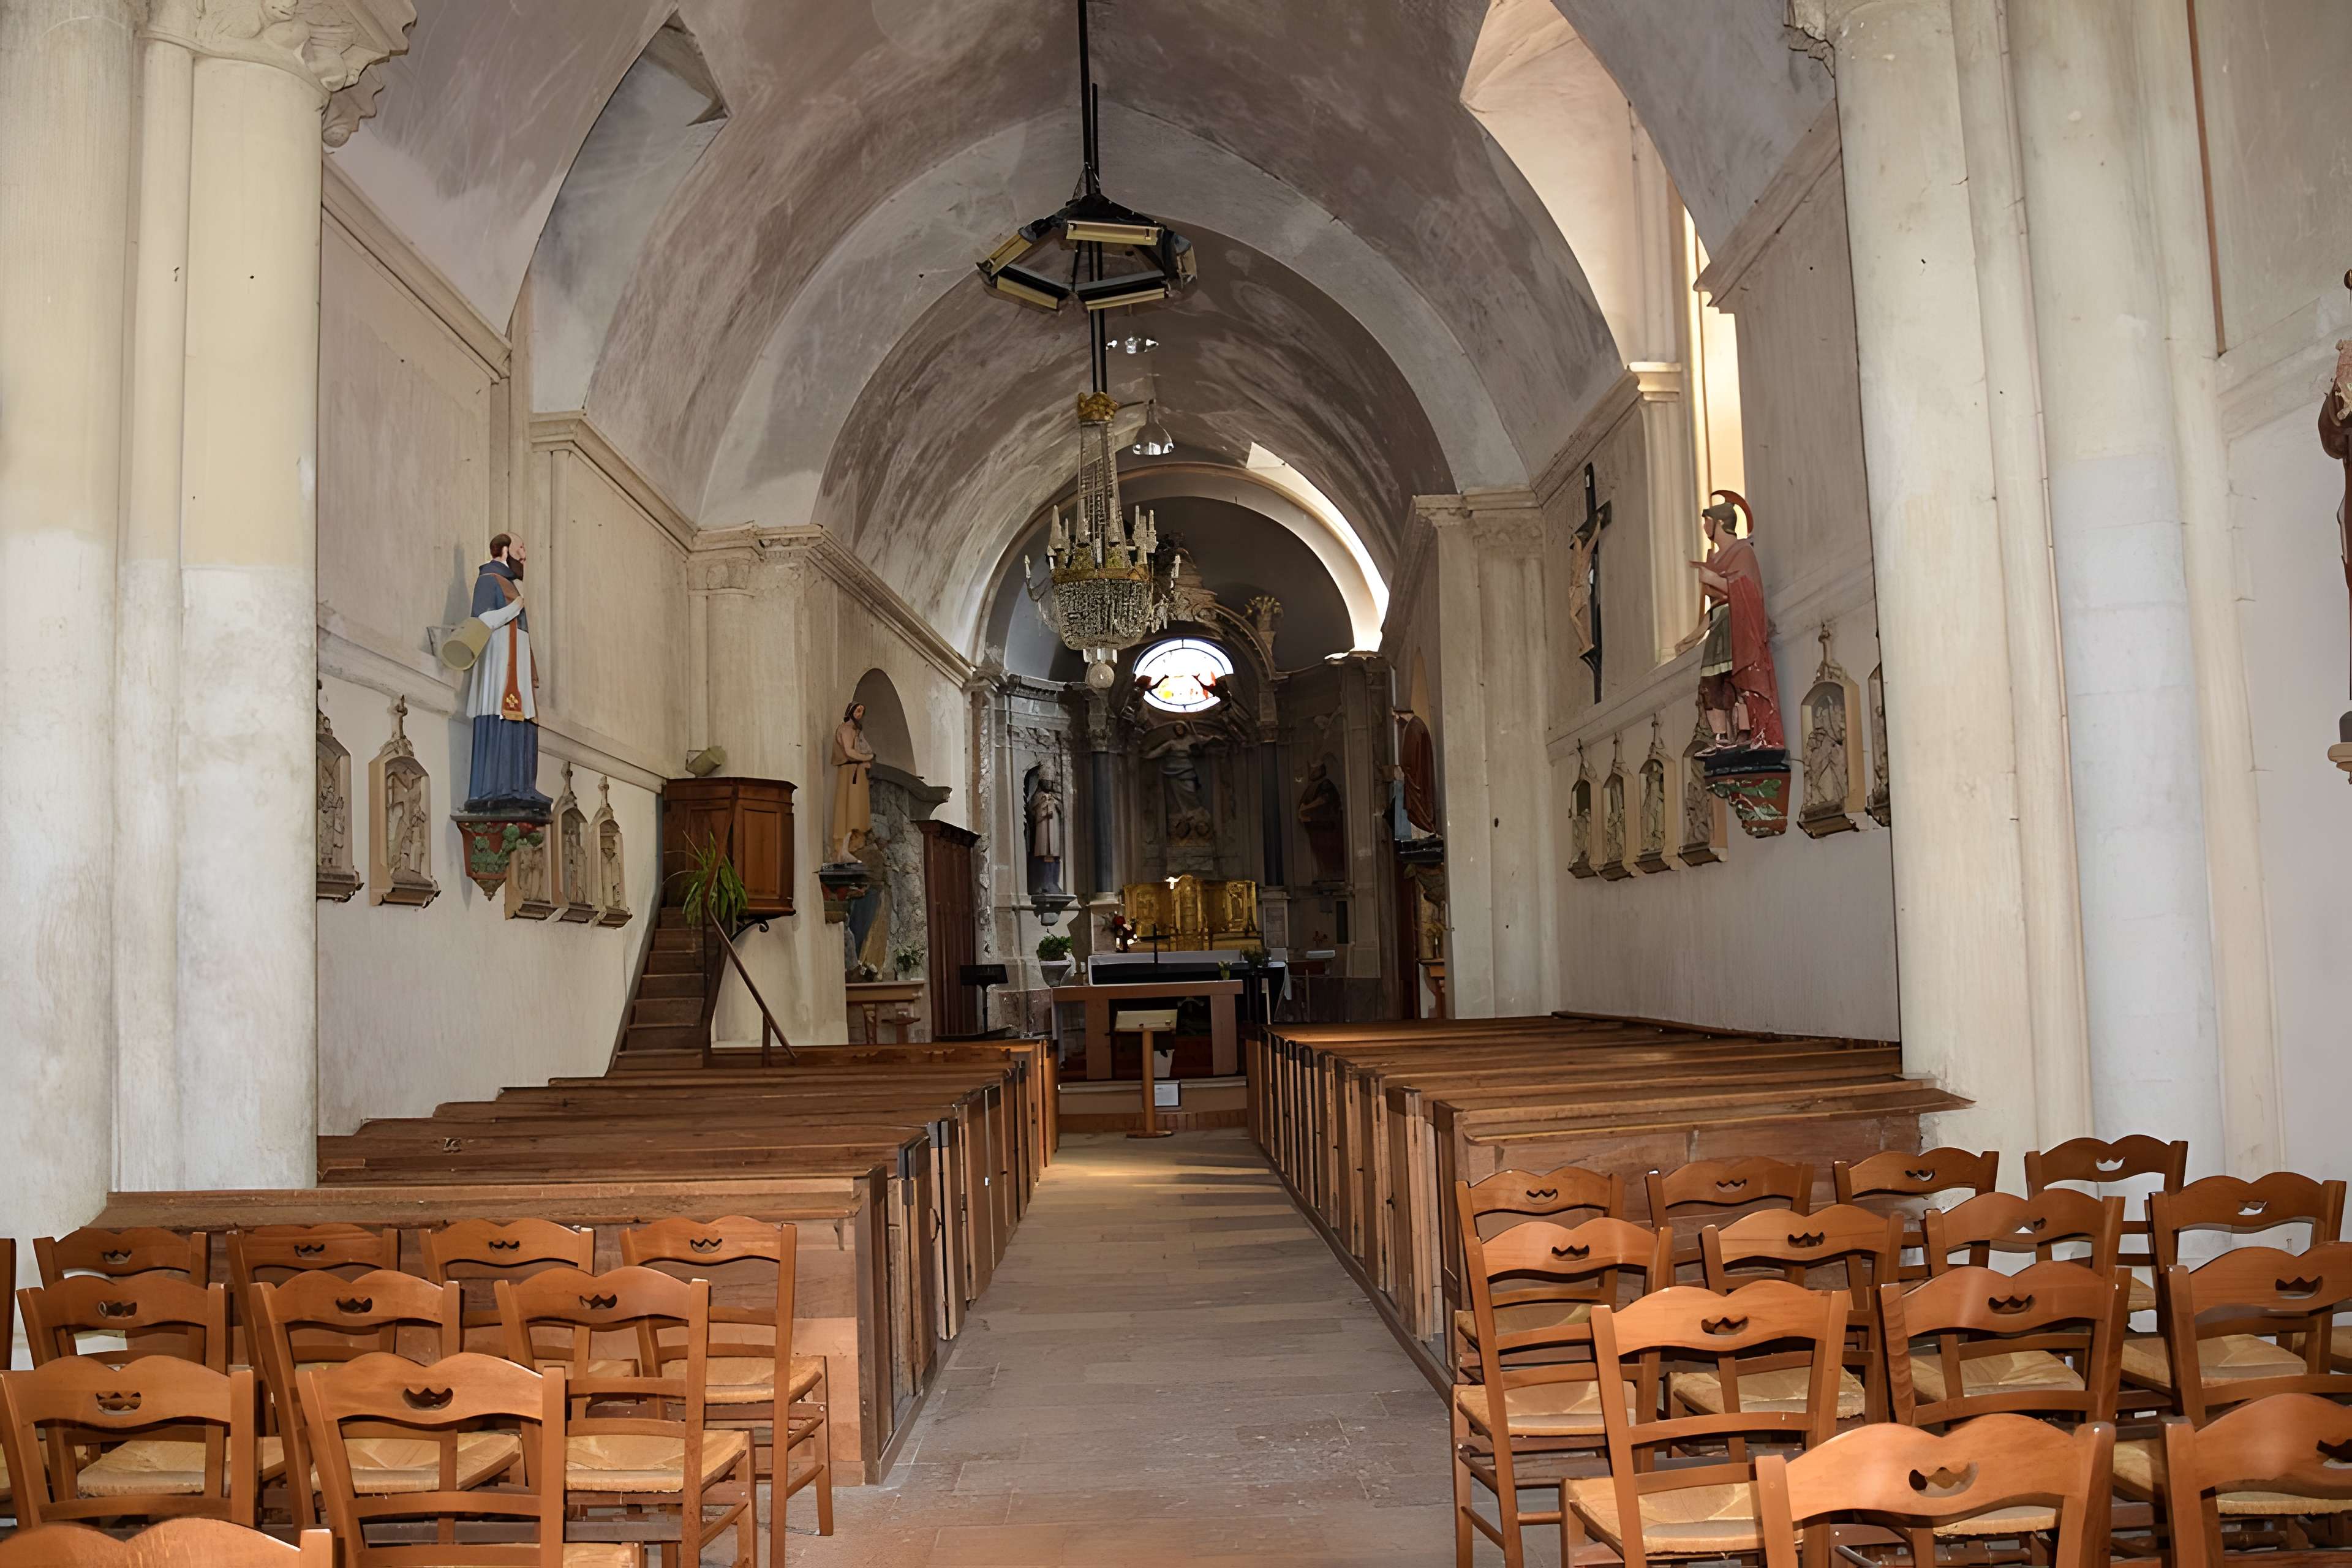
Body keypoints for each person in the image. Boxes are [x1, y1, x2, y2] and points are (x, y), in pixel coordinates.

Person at [462, 533, 550, 812]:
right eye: (520, 548)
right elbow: (481, 620)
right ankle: (497, 787)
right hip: (500, 665)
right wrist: (514, 608)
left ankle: (521, 786)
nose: (524, 555)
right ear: (503, 550)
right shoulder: (489, 580)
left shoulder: (510, 584)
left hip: (518, 665)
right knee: (503, 714)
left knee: (524, 718)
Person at [1692, 491, 1784, 753]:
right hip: (1719, 623)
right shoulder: (1716, 558)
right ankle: (1721, 737)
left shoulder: (1743, 551)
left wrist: (1713, 581)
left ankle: (1746, 732)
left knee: (1740, 677)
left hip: (1738, 620)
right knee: (1711, 682)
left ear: (1719, 523)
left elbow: (1746, 588)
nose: (1704, 527)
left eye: (1706, 520)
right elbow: (1716, 599)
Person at [829, 701, 876, 863]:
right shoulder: (846, 730)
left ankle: (846, 848)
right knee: (848, 810)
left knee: (855, 812)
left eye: (861, 712)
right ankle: (842, 851)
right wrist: (867, 758)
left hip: (857, 773)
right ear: (850, 712)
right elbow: (849, 752)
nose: (859, 714)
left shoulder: (856, 731)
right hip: (850, 774)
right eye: (857, 711)